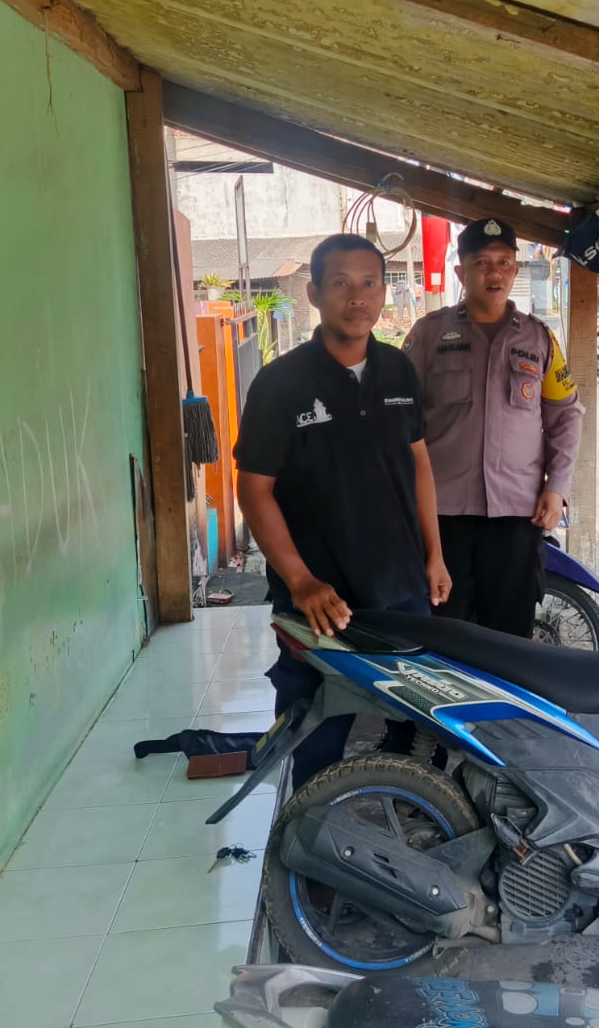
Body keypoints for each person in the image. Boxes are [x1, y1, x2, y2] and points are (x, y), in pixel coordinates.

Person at [234, 235, 451, 788]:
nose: (358, 297)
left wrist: (434, 555)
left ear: (383, 291)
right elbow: (254, 489)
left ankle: (411, 819)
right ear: (314, 294)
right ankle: (309, 831)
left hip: (401, 588)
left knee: (416, 724)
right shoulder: (280, 383)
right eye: (341, 284)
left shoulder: (399, 370)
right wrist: (301, 581)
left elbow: (419, 465)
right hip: (319, 599)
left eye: (370, 283)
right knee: (316, 734)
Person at [403, 218, 582, 637]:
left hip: (517, 513)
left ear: (516, 271)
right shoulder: (428, 335)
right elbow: (399, 416)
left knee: (510, 631)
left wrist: (557, 488)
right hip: (442, 512)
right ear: (461, 272)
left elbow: (565, 415)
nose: (494, 273)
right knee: (446, 630)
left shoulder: (540, 339)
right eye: (481, 263)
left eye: (504, 263)